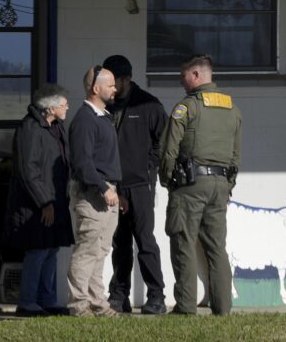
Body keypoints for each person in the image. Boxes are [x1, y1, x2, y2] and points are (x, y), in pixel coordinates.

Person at [159, 54, 242, 315]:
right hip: (219, 185)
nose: (181, 81)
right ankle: (223, 309)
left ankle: (185, 308)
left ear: (196, 75)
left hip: (190, 184)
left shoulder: (187, 107)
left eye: (183, 76)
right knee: (216, 247)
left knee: (183, 241)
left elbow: (169, 148)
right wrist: (228, 185)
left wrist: (167, 179)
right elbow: (235, 154)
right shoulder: (232, 109)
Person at [101, 55, 168, 315]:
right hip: (112, 186)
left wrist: (148, 167)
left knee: (145, 242)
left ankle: (156, 296)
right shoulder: (105, 106)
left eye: (113, 81)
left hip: (140, 185)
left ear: (127, 79)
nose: (110, 87)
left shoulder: (149, 105)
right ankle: (118, 295)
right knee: (120, 243)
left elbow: (163, 142)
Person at [4, 84, 73, 317]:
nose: (67, 107)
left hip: (55, 200)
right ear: (50, 107)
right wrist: (45, 202)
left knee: (52, 250)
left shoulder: (56, 128)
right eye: (63, 104)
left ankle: (46, 299)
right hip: (35, 205)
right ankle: (27, 302)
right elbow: (28, 169)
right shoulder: (30, 128)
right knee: (38, 251)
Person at [67, 66, 122, 317]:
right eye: (110, 85)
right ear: (95, 88)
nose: (115, 89)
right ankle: (78, 305)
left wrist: (114, 190)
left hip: (107, 192)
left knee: (100, 251)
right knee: (87, 250)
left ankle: (97, 303)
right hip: (93, 194)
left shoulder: (103, 117)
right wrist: (103, 188)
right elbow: (82, 162)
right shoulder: (85, 119)